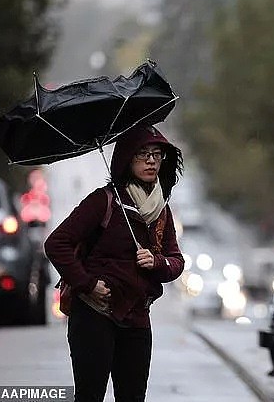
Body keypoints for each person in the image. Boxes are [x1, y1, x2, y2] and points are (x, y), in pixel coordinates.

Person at [44, 125, 185, 402]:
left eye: (157, 154)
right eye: (143, 154)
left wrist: (156, 262)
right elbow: (56, 244)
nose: (151, 161)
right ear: (126, 158)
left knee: (132, 396)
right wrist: (87, 283)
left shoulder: (161, 209)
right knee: (90, 395)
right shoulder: (104, 201)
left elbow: (176, 262)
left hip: (137, 318)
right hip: (95, 316)